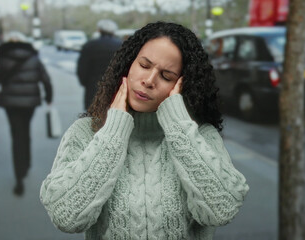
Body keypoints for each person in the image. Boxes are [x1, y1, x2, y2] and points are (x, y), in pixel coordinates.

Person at [40, 22, 249, 239]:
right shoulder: (86, 132)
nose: (149, 81)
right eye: (144, 65)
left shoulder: (201, 137)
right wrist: (113, 131)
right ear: (128, 65)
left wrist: (178, 125)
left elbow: (222, 210)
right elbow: (65, 217)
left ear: (183, 86)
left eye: (166, 76)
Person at [0, 32, 53, 196]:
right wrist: (49, 97)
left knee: (17, 135)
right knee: (26, 131)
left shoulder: (3, 58)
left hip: (11, 103)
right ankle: (27, 163)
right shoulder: (34, 58)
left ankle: (19, 178)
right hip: (30, 103)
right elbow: (46, 80)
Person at [77, 19, 122, 110]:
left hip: (93, 87)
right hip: (114, 87)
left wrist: (85, 83)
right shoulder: (121, 45)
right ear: (113, 31)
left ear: (99, 30)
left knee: (92, 118)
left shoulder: (89, 45)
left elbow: (82, 69)